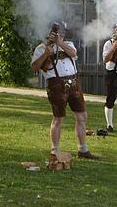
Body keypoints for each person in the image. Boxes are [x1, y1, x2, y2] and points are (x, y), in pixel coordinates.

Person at [31, 22, 97, 159]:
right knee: (58, 118)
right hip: (56, 85)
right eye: (56, 32)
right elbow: (34, 67)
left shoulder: (68, 45)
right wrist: (45, 54)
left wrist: (59, 43)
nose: (59, 34)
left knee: (82, 116)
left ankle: (83, 149)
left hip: (73, 83)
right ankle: (55, 150)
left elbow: (73, 53)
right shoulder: (41, 48)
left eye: (61, 32)